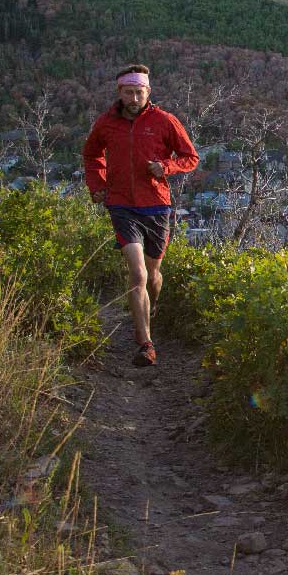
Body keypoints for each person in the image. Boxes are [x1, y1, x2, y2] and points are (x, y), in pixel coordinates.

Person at [82, 64, 198, 366]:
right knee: (137, 273)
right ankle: (146, 343)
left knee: (153, 275)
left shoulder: (164, 121)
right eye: (129, 92)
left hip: (157, 205)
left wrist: (167, 167)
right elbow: (91, 154)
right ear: (119, 93)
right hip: (121, 205)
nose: (134, 98)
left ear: (148, 92)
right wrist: (98, 185)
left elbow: (190, 157)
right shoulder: (106, 123)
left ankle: (151, 308)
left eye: (139, 92)